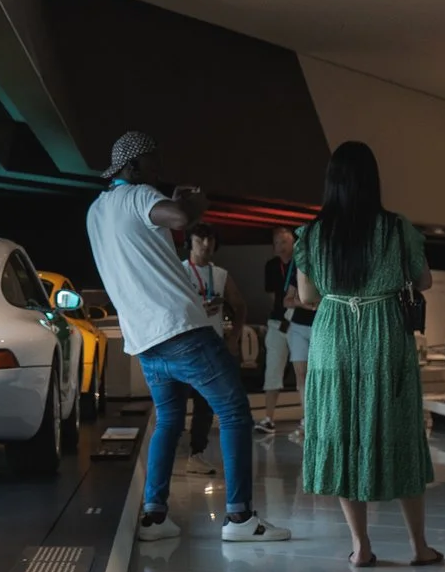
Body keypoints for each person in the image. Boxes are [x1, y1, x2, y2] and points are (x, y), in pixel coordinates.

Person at [83, 132, 290, 545]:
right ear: (134, 165)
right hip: (180, 329)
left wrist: (179, 204)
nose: (159, 171)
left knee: (170, 419)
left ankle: (155, 516)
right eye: (153, 162)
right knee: (233, 412)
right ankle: (240, 518)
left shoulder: (95, 211)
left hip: (144, 340)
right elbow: (179, 219)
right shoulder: (138, 195)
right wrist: (194, 204)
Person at [293, 141, 441, 567]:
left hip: (333, 332)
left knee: (341, 429)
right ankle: (419, 547)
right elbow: (424, 280)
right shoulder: (397, 229)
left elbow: (307, 294)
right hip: (384, 331)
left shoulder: (314, 233)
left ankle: (361, 546)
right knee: (399, 428)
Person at [177, 223, 243, 474]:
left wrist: (234, 337)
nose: (206, 245)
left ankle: (197, 453)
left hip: (211, 346)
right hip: (183, 345)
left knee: (205, 404)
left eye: (211, 239)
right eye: (200, 239)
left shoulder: (221, 275)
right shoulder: (180, 272)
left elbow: (240, 305)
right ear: (189, 242)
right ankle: (176, 453)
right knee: (177, 402)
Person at [259, 226, 313, 437]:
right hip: (279, 322)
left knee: (304, 371)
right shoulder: (272, 266)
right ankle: (268, 418)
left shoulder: (304, 263)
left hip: (301, 321)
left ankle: (307, 418)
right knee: (274, 367)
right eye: (278, 242)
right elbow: (275, 297)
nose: (281, 246)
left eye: (285, 241)